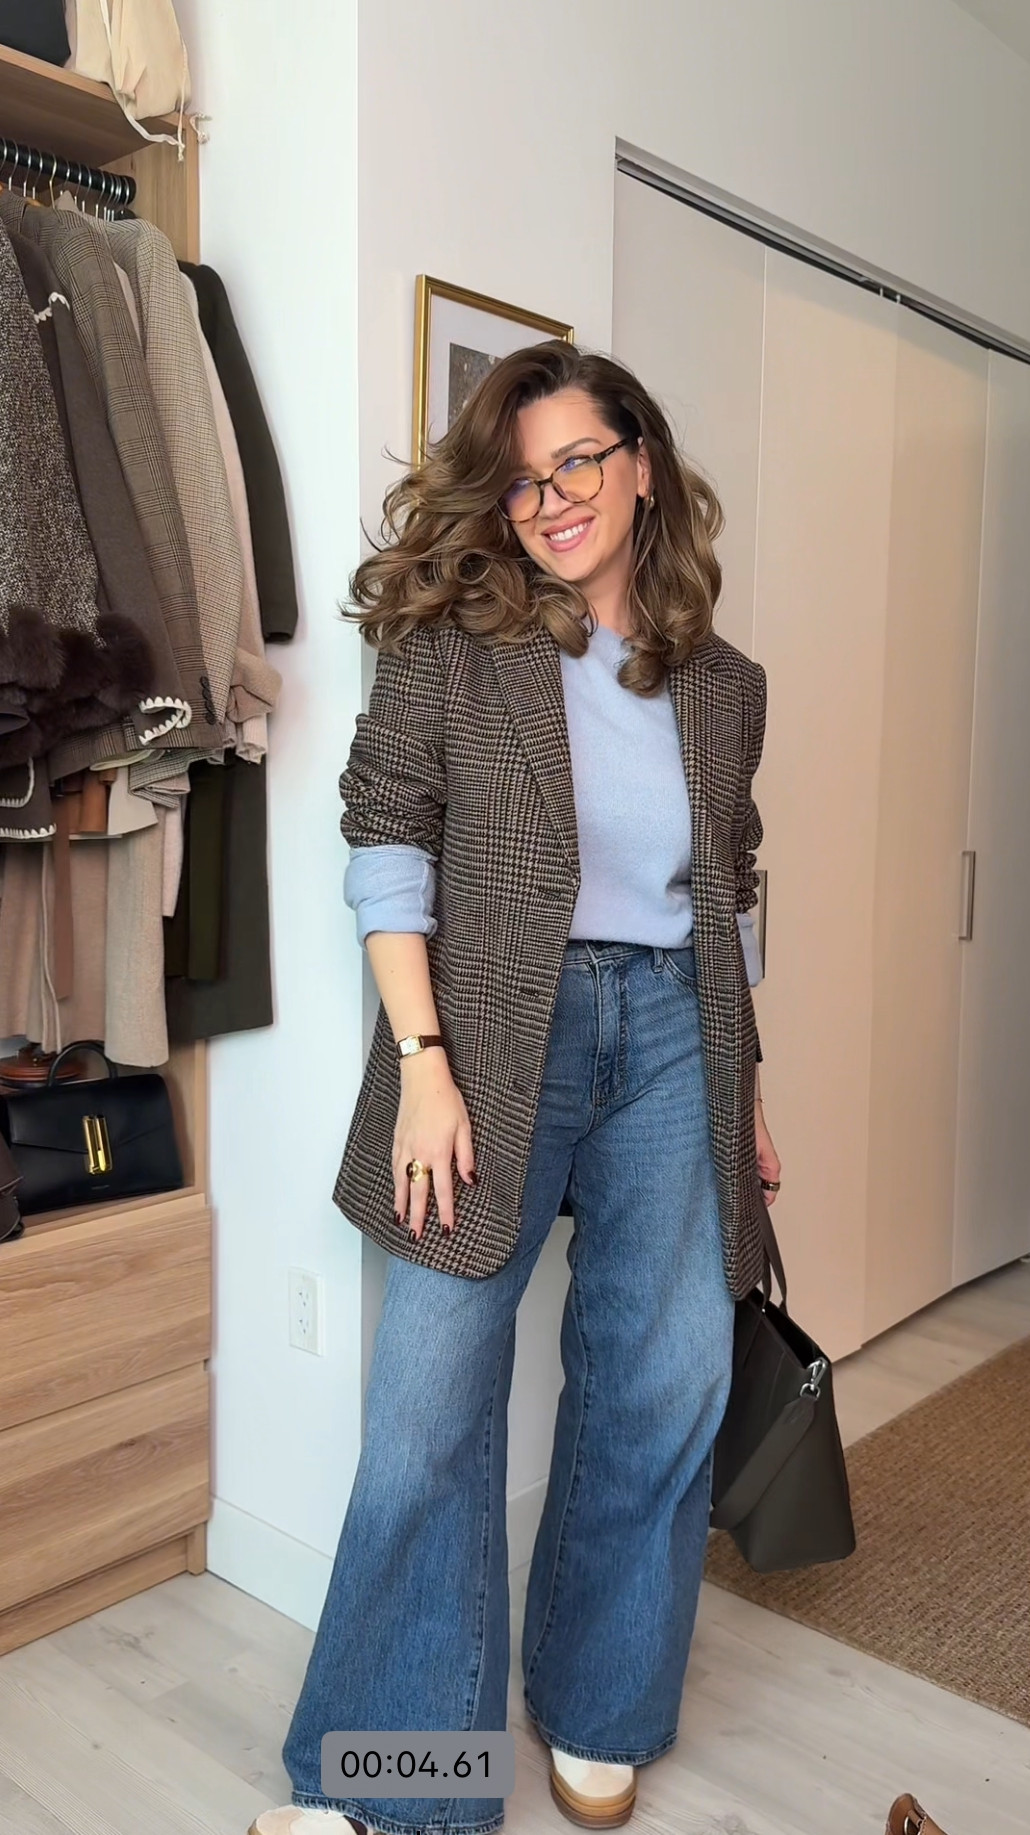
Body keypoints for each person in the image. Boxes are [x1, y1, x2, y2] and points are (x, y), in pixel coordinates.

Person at [250, 342, 782, 1835]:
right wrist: (422, 1063)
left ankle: (599, 1701)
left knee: (664, 1377)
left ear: (641, 467)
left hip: (677, 1032)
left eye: (575, 466)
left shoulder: (722, 685)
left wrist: (743, 1083)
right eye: (520, 476)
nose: (546, 501)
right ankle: (400, 1779)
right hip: (487, 1037)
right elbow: (385, 838)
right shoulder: (454, 642)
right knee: (428, 1404)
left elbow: (730, 884)